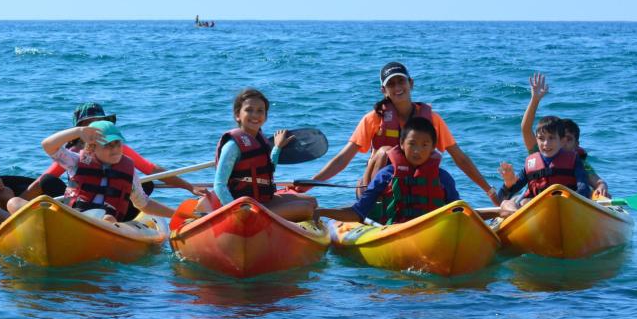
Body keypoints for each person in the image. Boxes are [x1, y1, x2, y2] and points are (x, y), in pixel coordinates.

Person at [304, 62, 498, 204]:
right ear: (384, 90)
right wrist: (310, 183)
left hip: (418, 188)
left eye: (401, 82)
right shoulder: (373, 118)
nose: (397, 88)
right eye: (391, 84)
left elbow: (460, 158)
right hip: (378, 189)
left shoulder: (432, 119)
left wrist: (490, 191)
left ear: (410, 83)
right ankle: (374, 205)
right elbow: (342, 159)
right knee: (385, 150)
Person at [21, 102, 205, 202]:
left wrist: (189, 187)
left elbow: (152, 170)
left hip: (112, 205)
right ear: (80, 129)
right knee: (48, 182)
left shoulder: (118, 149)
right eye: (89, 124)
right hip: (80, 203)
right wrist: (15, 207)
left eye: (99, 122)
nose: (95, 128)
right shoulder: (73, 153)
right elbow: (41, 182)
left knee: (146, 184)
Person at [5, 120, 175, 224]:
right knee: (13, 202)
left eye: (117, 144)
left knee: (108, 219)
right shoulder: (76, 161)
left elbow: (143, 203)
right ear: (92, 147)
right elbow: (47, 145)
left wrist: (176, 214)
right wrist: (78, 131)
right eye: (108, 145)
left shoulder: (128, 169)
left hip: (105, 223)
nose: (115, 149)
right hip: (72, 218)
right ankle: (32, 229)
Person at [202, 88, 317, 222]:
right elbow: (219, 185)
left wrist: (277, 148)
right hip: (245, 208)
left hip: (262, 201)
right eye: (249, 110)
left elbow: (268, 169)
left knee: (312, 201)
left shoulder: (260, 141)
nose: (255, 115)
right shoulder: (233, 146)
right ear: (237, 115)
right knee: (306, 208)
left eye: (260, 110)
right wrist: (236, 212)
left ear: (266, 116)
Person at [317, 117, 460, 224]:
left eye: (425, 145)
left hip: (433, 229)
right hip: (396, 230)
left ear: (433, 147)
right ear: (402, 144)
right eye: (412, 144)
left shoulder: (443, 177)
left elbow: (458, 212)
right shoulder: (387, 175)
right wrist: (322, 212)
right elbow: (358, 212)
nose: (418, 150)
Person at [518, 72, 609, 197]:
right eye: (560, 138)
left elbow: (597, 181)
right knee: (516, 200)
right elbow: (526, 129)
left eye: (568, 139)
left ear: (577, 145)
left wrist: (601, 186)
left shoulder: (579, 163)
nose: (562, 143)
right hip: (541, 202)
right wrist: (535, 100)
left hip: (572, 201)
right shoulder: (541, 151)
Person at [497, 116, 590, 216]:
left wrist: (573, 204)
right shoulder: (531, 164)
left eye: (551, 138)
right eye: (541, 138)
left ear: (562, 141)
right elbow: (502, 197)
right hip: (537, 211)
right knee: (506, 203)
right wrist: (508, 183)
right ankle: (517, 216)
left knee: (524, 202)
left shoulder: (573, 160)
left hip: (565, 205)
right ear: (536, 140)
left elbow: (583, 187)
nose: (546, 143)